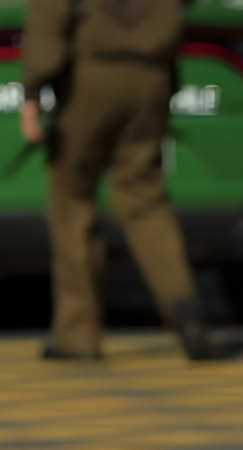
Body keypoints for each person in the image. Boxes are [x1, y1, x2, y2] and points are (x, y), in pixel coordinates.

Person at [20, 0, 207, 360]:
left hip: (89, 77)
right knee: (145, 198)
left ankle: (78, 335)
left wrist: (33, 88)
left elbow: (50, 14)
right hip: (151, 76)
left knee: (73, 201)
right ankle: (183, 305)